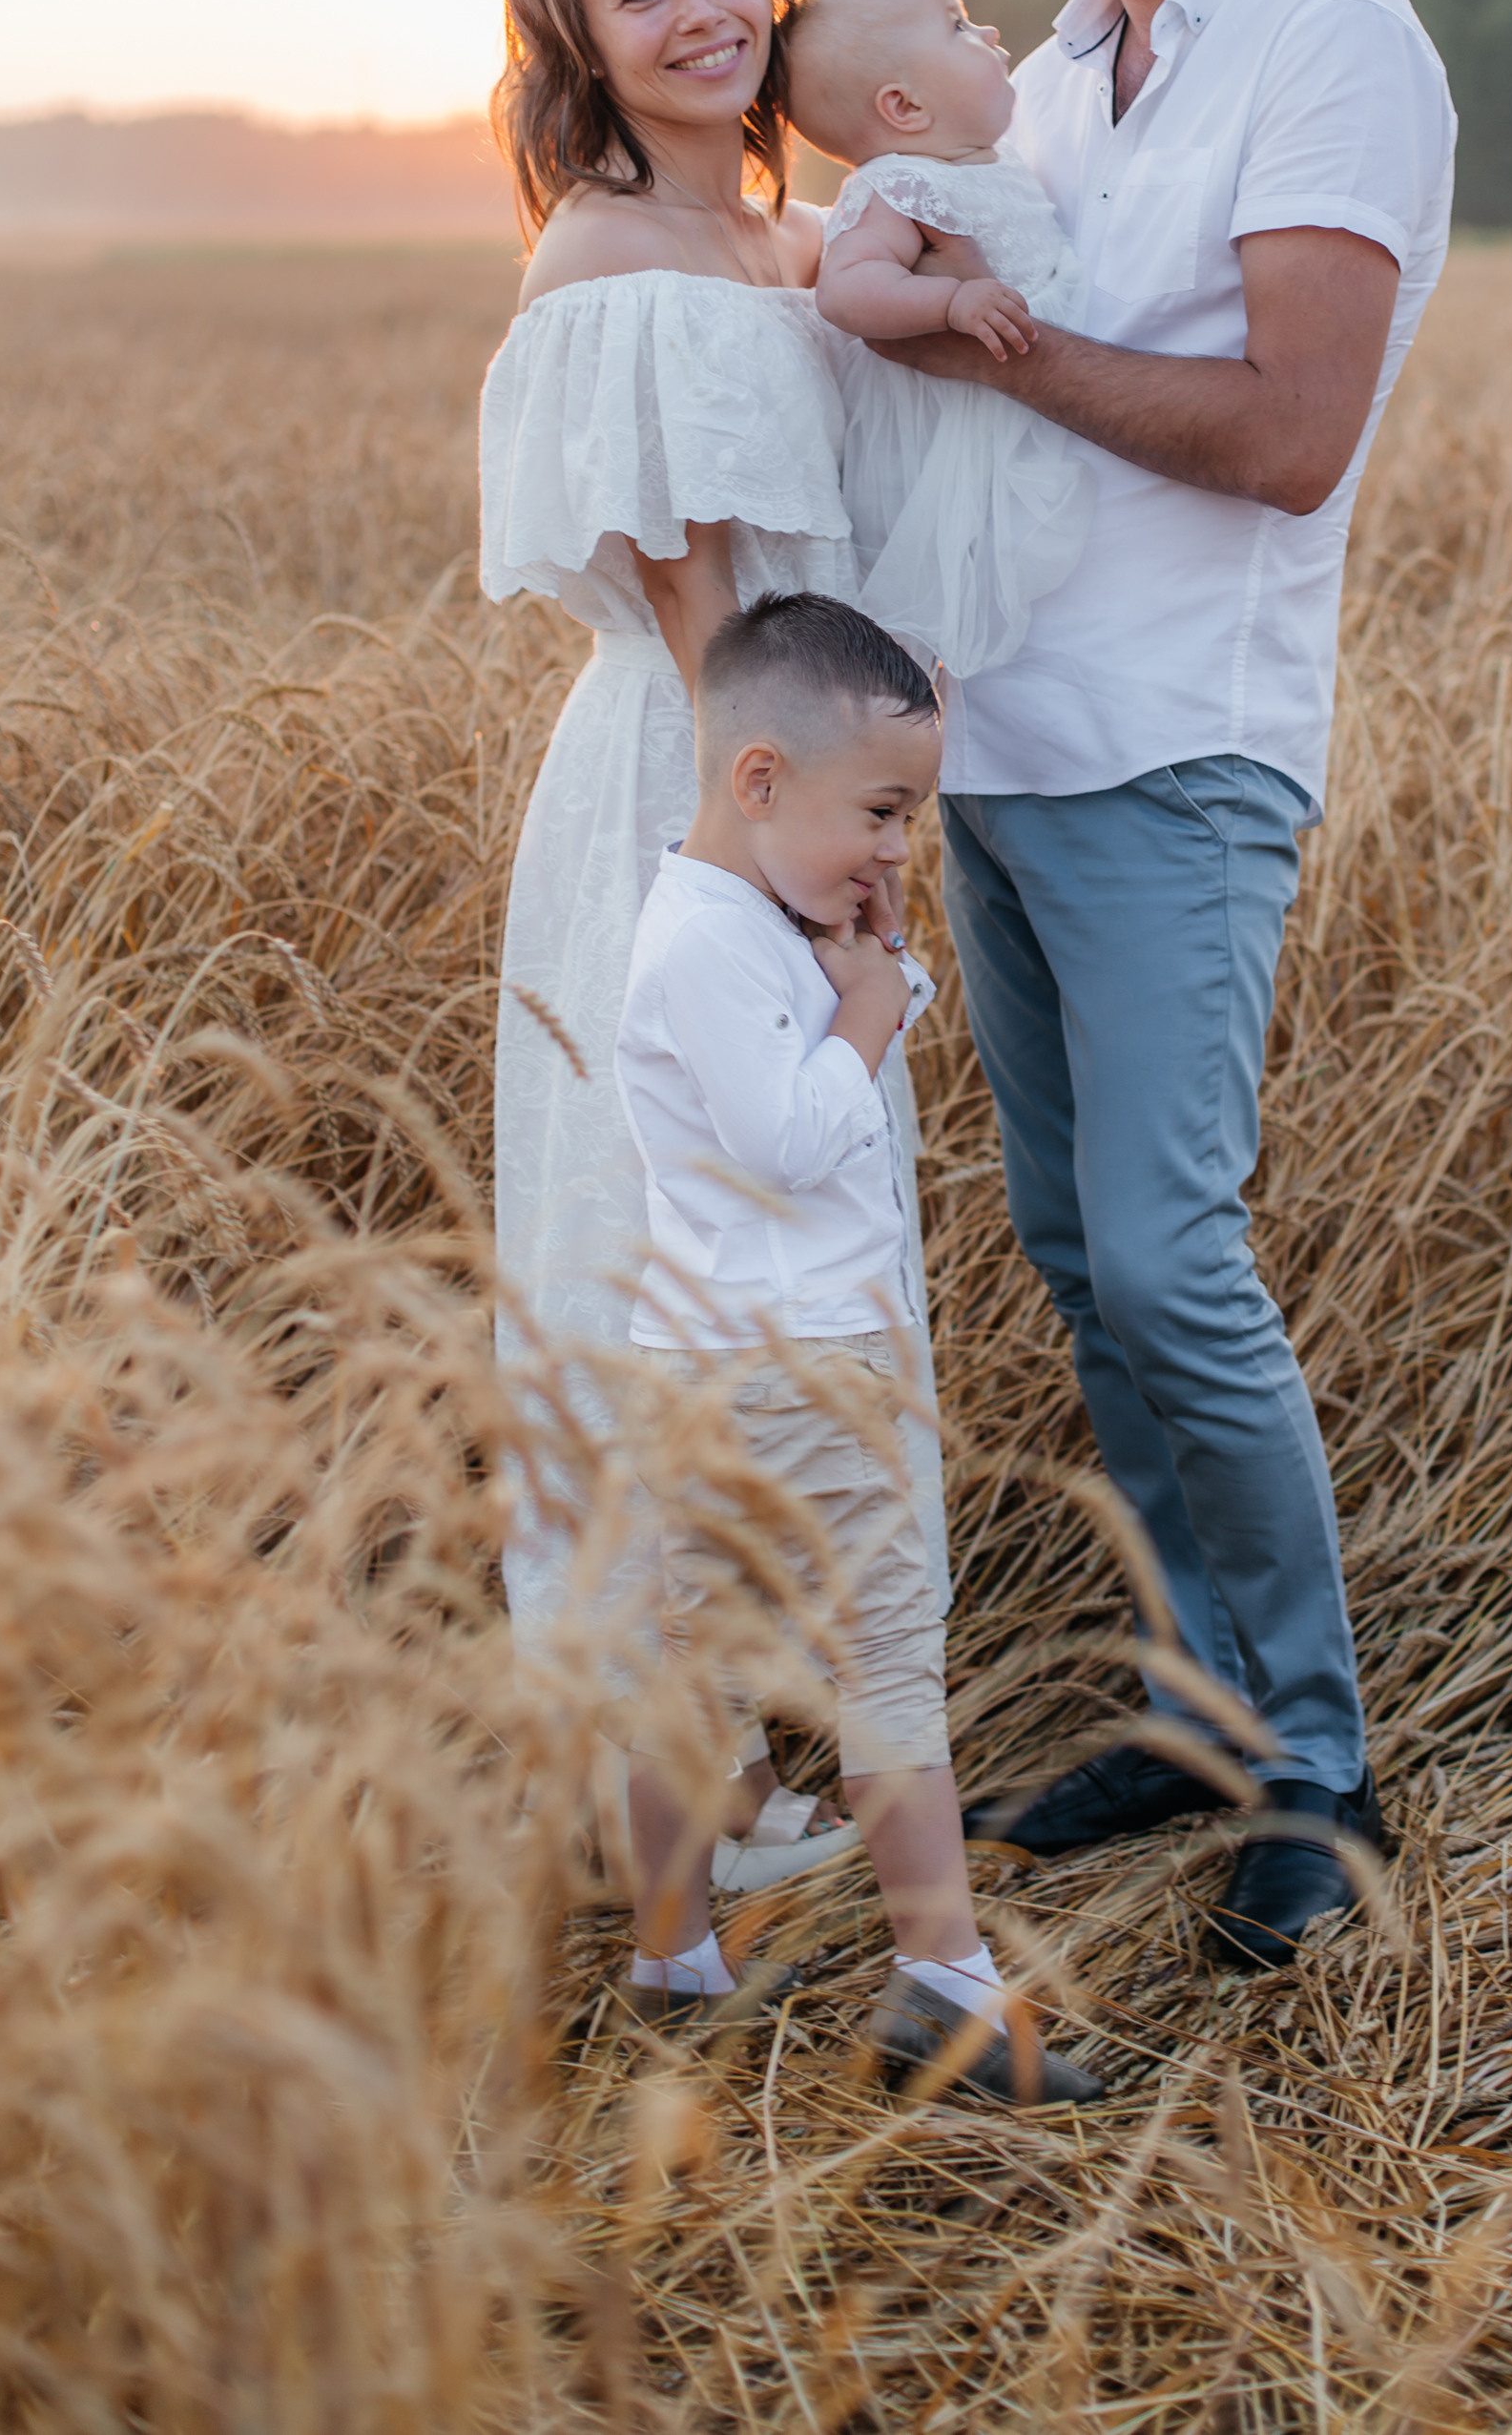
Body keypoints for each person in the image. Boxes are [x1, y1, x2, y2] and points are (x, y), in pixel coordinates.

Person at [881, 0, 1456, 1970]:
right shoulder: (1057, 71)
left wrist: (997, 349)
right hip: (1000, 750)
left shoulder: (1331, 42)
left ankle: (1316, 1768)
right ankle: (1194, 1708)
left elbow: (1288, 434)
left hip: (1180, 756)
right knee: (1075, 1255)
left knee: (1169, 1259)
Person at [477, 0, 947, 1898]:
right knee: (657, 1254)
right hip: (693, 796)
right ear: (580, 45)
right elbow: (704, 630)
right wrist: (786, 864)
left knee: (784, 1250)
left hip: (791, 778)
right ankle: (659, 1794)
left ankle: (732, 1744)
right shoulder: (607, 261)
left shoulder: (779, 240)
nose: (698, 14)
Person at [614, 591, 1102, 2106]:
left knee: (692, 1671)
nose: (899, 849)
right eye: (883, 811)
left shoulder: (736, 915)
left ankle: (672, 1956)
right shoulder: (710, 943)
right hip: (802, 1366)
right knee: (884, 1658)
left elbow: (825, 1046)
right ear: (759, 778)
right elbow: (786, 1142)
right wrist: (877, 1005)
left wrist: (870, 966)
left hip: (719, 1365)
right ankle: (945, 1992)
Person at [788, 0, 1092, 676]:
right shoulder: (901, 184)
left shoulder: (997, 164)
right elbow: (846, 290)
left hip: (1003, 414)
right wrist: (950, 303)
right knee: (929, 596)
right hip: (932, 435)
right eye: (958, 26)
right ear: (904, 107)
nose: (988, 31)